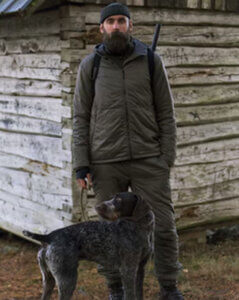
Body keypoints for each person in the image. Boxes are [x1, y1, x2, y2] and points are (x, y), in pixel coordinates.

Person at [73, 3, 183, 299]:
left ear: (130, 25)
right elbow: (80, 117)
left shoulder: (150, 60)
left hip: (149, 161)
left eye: (122, 20)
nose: (117, 26)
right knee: (110, 235)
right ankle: (117, 289)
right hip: (106, 162)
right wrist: (81, 165)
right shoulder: (90, 66)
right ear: (102, 28)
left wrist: (166, 158)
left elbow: (166, 113)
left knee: (162, 226)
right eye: (111, 21)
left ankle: (169, 288)